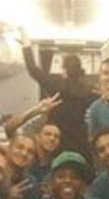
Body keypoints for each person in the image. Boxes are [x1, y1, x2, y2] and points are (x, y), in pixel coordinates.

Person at [20, 31, 98, 160]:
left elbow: (33, 69)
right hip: (81, 142)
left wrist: (26, 44)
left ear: (64, 69)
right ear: (80, 69)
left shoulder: (56, 85)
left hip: (57, 142)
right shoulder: (89, 91)